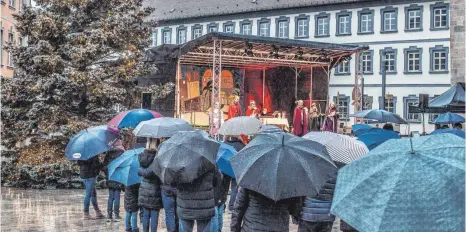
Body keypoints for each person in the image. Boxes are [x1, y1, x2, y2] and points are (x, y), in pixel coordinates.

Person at [231, 187, 302, 232]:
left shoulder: (250, 179)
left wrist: (235, 229)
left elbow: (238, 209)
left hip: (252, 228)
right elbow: (295, 210)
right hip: (279, 227)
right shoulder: (290, 184)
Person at [298, 161, 341, 232]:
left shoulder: (310, 167)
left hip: (308, 212)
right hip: (326, 215)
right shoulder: (337, 172)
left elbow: (302, 191)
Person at [176, 166, 222, 232]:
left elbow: (173, 182)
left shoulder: (180, 162)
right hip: (204, 205)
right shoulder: (209, 161)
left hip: (185, 205)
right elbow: (217, 181)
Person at [138, 138, 163, 232]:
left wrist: (141, 171)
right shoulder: (158, 156)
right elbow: (151, 172)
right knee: (154, 215)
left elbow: (140, 171)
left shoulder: (142, 155)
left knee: (145, 214)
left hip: (144, 189)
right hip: (155, 189)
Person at [103, 140, 125, 221]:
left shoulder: (108, 153)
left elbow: (104, 166)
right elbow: (124, 166)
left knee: (111, 196)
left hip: (110, 177)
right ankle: (116, 215)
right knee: (117, 196)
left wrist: (108, 173)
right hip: (118, 178)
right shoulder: (122, 153)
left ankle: (109, 215)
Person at [78, 155, 105, 220]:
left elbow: (79, 163)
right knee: (89, 194)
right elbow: (96, 165)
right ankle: (86, 213)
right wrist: (101, 164)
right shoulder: (93, 154)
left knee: (93, 193)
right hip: (91, 175)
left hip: (83, 175)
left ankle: (98, 212)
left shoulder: (81, 154)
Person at [224, 136, 246, 211]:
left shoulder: (224, 144)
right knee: (234, 189)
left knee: (224, 188)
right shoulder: (241, 145)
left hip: (225, 168)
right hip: (236, 169)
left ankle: (222, 206)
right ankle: (231, 206)